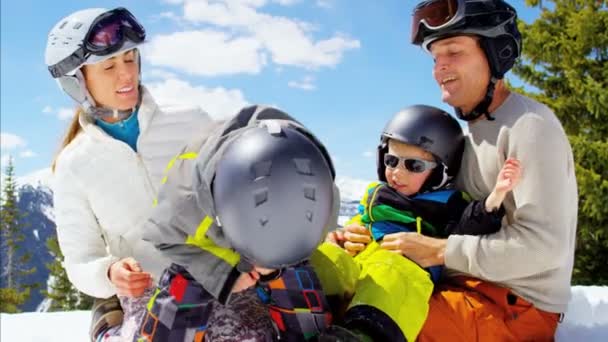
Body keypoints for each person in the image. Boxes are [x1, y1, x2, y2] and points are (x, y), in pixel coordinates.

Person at [46, 7, 270, 341]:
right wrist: (109, 273)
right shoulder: (74, 164)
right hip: (148, 296)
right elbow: (81, 260)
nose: (126, 75)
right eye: (108, 66)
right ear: (76, 82)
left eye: (130, 59)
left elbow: (243, 190)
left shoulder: (190, 121)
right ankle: (110, 325)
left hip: (224, 279)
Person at [377, 0, 577, 340]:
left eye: (453, 52)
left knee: (384, 326)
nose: (440, 68)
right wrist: (360, 233)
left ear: (495, 54)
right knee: (354, 300)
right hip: (463, 288)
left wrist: (440, 250)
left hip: (515, 305)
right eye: (435, 58)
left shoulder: (529, 126)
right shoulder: (466, 136)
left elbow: (546, 247)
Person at [136, 105, 341, 341]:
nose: (264, 267)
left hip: (283, 244)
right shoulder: (184, 199)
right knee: (183, 287)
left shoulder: (323, 197)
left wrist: (279, 263)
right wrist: (225, 272)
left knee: (299, 285)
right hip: (210, 251)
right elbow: (163, 238)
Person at [323, 105, 521, 341]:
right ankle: (279, 304)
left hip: (403, 269)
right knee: (324, 257)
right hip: (360, 260)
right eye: (391, 160)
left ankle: (364, 335)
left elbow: (467, 227)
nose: (397, 172)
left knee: (392, 274)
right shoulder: (377, 194)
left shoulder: (445, 204)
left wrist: (493, 200)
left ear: (441, 172)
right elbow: (363, 218)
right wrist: (344, 235)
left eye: (413, 165)